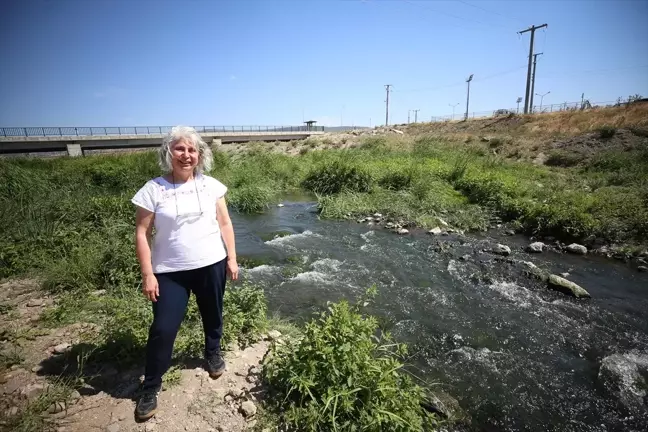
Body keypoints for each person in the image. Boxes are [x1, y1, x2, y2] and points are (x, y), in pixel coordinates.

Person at [130, 126, 239, 421]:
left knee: (213, 314)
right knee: (163, 329)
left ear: (200, 155)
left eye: (192, 150)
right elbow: (142, 233)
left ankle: (212, 352)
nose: (186, 155)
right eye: (180, 149)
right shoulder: (154, 189)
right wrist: (148, 274)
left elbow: (225, 224)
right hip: (169, 272)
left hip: (211, 263)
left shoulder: (212, 186)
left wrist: (232, 258)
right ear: (169, 152)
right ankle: (151, 386)